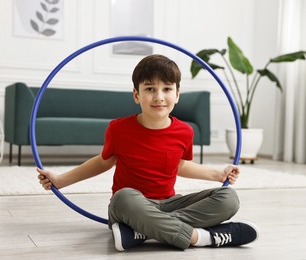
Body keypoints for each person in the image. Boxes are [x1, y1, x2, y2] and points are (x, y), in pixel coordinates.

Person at [37, 54, 259, 251]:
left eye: (167, 89)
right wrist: (61, 180)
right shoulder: (118, 128)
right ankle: (201, 238)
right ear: (136, 95)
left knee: (228, 198)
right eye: (150, 89)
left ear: (177, 94)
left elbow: (180, 165)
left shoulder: (184, 131)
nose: (159, 96)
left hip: (170, 202)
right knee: (123, 197)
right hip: (131, 206)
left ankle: (140, 232)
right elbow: (103, 162)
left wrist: (219, 175)